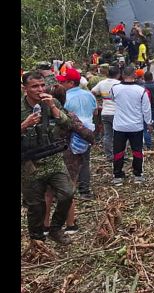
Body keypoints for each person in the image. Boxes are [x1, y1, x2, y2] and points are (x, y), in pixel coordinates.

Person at [21, 71, 74, 245]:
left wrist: (52, 107)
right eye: (35, 86)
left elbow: (67, 124)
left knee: (67, 193)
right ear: (25, 88)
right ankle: (37, 240)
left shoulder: (51, 102)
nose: (40, 89)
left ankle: (55, 229)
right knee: (35, 205)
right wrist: (25, 124)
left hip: (53, 157)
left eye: (42, 85)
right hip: (29, 162)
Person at [57, 68, 97, 200]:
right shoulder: (89, 95)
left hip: (71, 132)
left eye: (64, 82)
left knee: (68, 162)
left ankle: (68, 191)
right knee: (84, 161)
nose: (61, 84)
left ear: (71, 83)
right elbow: (95, 112)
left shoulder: (65, 97)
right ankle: (84, 191)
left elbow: (63, 117)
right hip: (87, 132)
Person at [110, 66, 153, 185]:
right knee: (137, 151)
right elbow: (146, 109)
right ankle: (138, 175)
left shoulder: (115, 88)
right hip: (136, 126)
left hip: (119, 126)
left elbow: (112, 99)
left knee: (118, 151)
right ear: (135, 75)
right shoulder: (141, 91)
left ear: (122, 75)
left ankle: (117, 176)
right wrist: (149, 123)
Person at [91, 66, 121, 162]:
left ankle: (109, 155)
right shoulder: (119, 84)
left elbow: (92, 92)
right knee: (119, 135)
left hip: (105, 112)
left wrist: (96, 104)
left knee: (108, 135)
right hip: (117, 113)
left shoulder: (102, 83)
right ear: (118, 74)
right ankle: (118, 154)